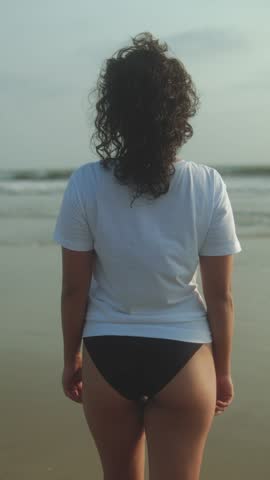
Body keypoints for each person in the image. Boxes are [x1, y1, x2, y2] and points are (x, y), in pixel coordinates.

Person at [53, 32, 242, 480]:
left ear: (113, 113)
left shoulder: (85, 183)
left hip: (107, 350)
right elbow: (222, 298)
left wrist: (71, 359)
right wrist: (223, 371)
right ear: (178, 112)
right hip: (184, 355)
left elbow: (73, 289)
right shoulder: (207, 184)